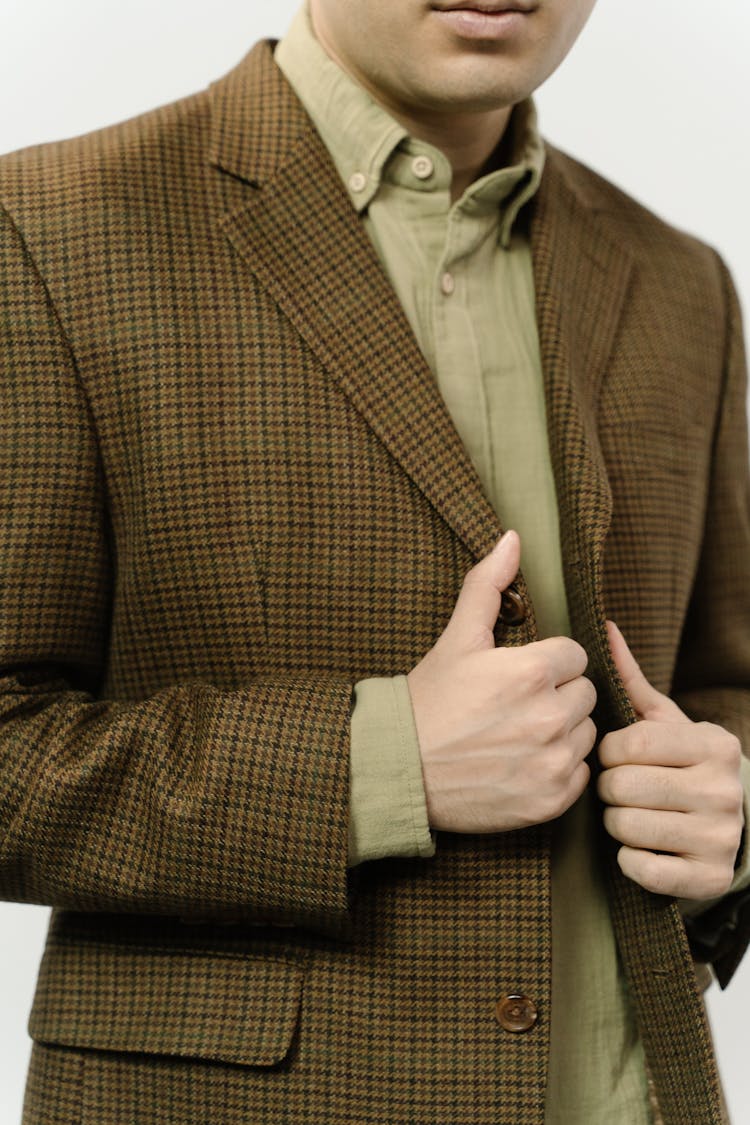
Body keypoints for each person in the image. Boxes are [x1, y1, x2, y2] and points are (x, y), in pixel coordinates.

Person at [1, 1, 748, 1121]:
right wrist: (375, 764)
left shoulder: (683, 282)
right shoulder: (47, 227)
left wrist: (731, 818)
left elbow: (726, 685)